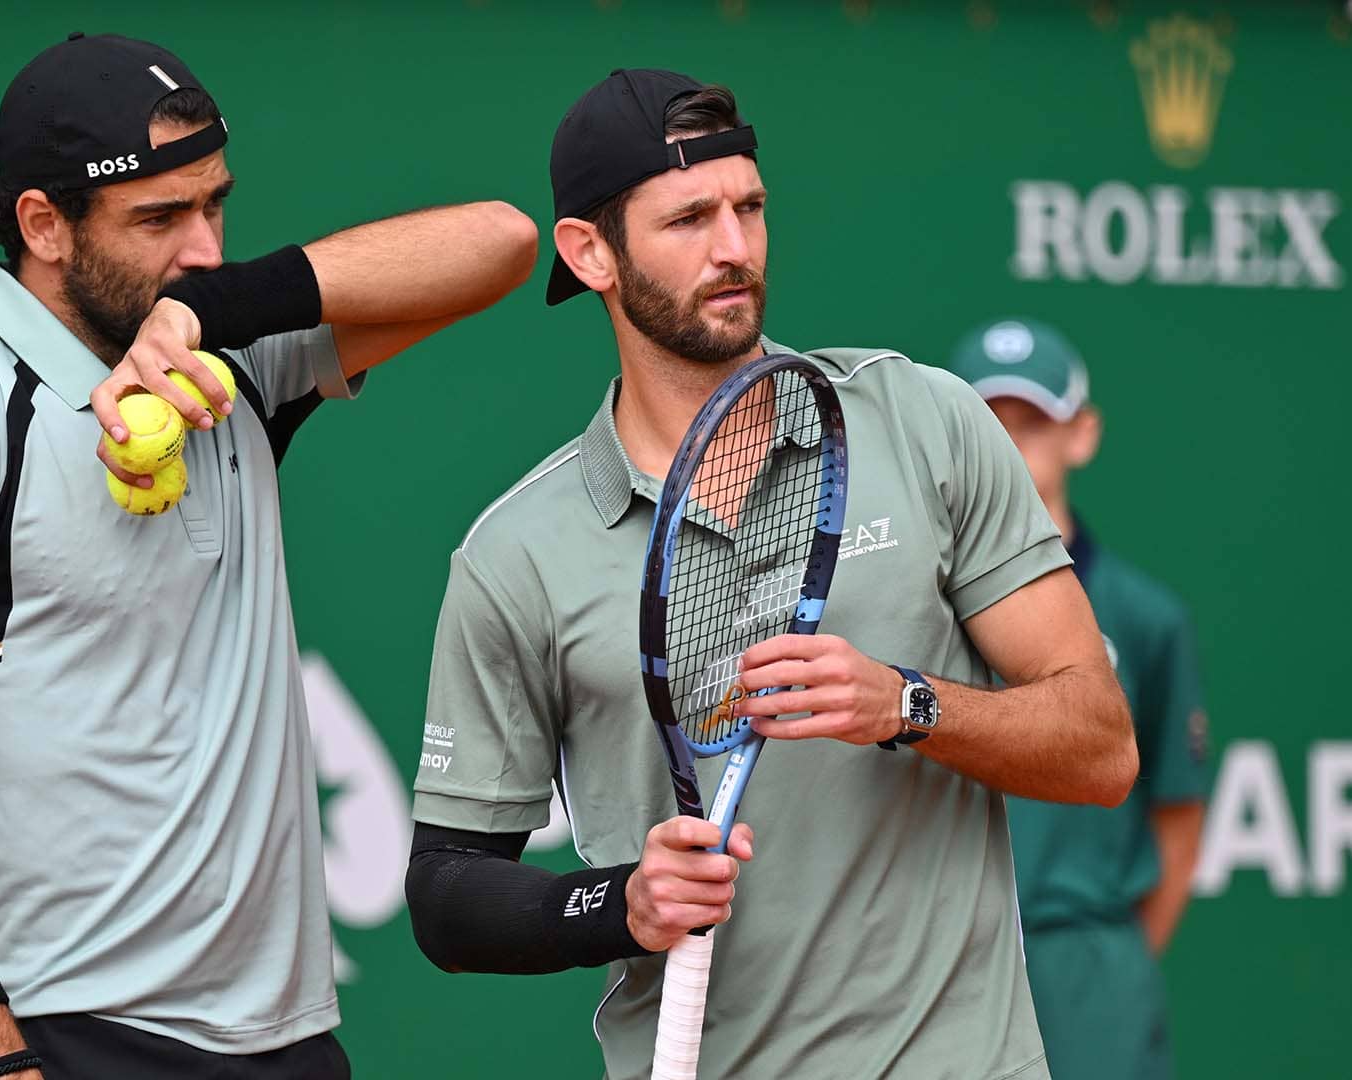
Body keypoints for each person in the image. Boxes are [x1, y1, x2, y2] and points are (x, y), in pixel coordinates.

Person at [0, 32, 536, 1080]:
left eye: (214, 204)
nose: (203, 245)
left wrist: (217, 310)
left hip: (286, 1044)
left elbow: (502, 243)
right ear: (42, 225)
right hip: (58, 1039)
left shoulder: (231, 357)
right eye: (158, 218)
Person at [403, 69, 1135, 1080]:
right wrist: (620, 903)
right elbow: (446, 895)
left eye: (749, 207)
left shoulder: (925, 421)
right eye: (689, 218)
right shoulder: (514, 554)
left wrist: (907, 703)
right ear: (589, 253)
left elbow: (1100, 746)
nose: (735, 248)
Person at [946, 319, 1212, 1080]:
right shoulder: (911, 609)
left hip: (1086, 963)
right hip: (944, 959)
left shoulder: (1146, 617)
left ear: (1083, 434)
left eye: (1033, 422)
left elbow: (1179, 825)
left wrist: (1101, 964)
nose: (1008, 444)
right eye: (986, 423)